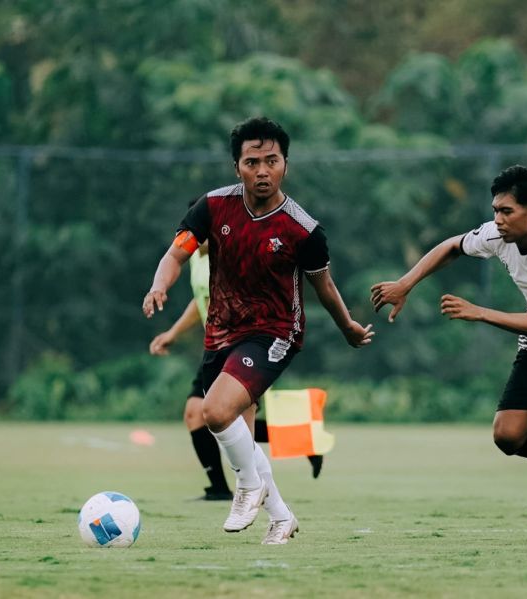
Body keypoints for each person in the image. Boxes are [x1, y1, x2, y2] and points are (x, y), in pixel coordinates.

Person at [143, 116, 374, 545]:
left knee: (213, 412)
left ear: (286, 164)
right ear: (237, 167)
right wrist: (159, 284)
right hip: (221, 334)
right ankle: (281, 517)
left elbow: (324, 287)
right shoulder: (212, 208)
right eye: (252, 162)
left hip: (275, 333)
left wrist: (348, 328)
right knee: (240, 436)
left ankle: (247, 488)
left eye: (272, 160)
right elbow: (176, 255)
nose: (262, 170)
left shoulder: (303, 229)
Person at [371, 165, 527, 541]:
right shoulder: (496, 236)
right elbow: (452, 246)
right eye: (495, 210)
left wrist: (479, 312)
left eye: (507, 212)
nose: (497, 220)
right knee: (507, 437)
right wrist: (406, 284)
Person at [149, 239, 326, 502]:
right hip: (216, 348)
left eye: (203, 235)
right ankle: (220, 487)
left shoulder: (230, 259)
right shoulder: (198, 259)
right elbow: (200, 301)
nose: (198, 243)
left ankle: (292, 452)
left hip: (240, 350)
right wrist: (173, 333)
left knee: (227, 418)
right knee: (200, 414)